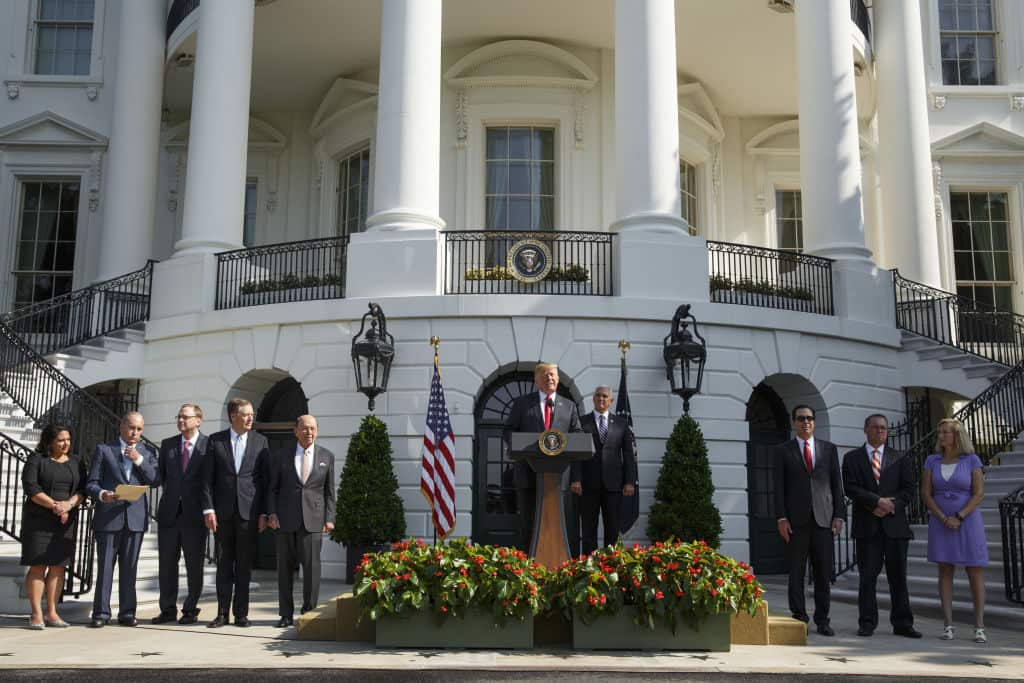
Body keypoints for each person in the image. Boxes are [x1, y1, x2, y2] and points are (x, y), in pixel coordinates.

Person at [841, 414, 921, 638]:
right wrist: (875, 502)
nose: (880, 431)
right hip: (868, 527)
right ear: (865, 429)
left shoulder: (900, 458)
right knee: (867, 578)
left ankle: (903, 623)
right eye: (875, 427)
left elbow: (909, 489)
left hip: (895, 527)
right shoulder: (851, 458)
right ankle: (867, 623)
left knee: (899, 578)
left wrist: (889, 505)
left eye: (883, 428)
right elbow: (850, 488)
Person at [774, 404, 844, 636]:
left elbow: (837, 485)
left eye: (810, 418)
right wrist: (781, 518)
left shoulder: (829, 449)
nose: (806, 422)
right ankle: (799, 617)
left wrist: (839, 515)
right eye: (801, 418)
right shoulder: (783, 450)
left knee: (823, 574)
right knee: (796, 573)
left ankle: (823, 619)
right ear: (794, 422)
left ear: (814, 422)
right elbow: (778, 488)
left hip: (824, 519)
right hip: (796, 521)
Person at [85, 411, 159, 628]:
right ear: (122, 426)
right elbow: (91, 483)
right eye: (132, 428)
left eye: (139, 429)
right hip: (108, 517)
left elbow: (155, 479)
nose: (135, 433)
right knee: (106, 568)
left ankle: (127, 613)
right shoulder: (104, 450)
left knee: (130, 568)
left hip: (135, 519)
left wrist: (139, 460)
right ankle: (100, 613)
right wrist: (102, 494)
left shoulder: (147, 451)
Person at [201, 397, 270, 628]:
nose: (251, 418)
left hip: (249, 513)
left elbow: (265, 481)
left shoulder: (261, 441)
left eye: (252, 414)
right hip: (222, 514)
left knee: (243, 565)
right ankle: (222, 613)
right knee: (223, 564)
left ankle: (241, 613)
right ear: (233, 416)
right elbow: (207, 481)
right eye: (246, 414)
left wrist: (264, 513)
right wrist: (209, 509)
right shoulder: (215, 441)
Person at [921, 417, 989, 643]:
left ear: (956, 436)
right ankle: (948, 625)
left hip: (967, 520)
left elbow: (979, 493)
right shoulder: (932, 460)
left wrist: (959, 516)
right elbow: (926, 493)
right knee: (945, 570)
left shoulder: (971, 460)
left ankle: (979, 626)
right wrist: (942, 517)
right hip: (940, 521)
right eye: (939, 432)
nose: (940, 436)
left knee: (974, 570)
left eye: (945, 432)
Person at [502, 362, 582, 551]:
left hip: (558, 479)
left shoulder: (569, 406)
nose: (550, 378)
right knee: (528, 526)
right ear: (537, 381)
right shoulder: (522, 404)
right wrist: (525, 445)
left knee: (558, 526)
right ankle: (527, 570)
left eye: (553, 375)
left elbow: (577, 433)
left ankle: (559, 569)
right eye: (545, 375)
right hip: (528, 476)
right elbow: (508, 431)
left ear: (558, 379)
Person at [266, 414, 336, 628]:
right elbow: (272, 489)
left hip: (313, 520)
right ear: (295, 430)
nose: (309, 432)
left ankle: (309, 612)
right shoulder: (281, 455)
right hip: (285, 520)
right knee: (285, 570)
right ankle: (285, 614)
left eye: (313, 428)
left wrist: (330, 518)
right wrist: (272, 513)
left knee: (312, 569)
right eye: (305, 428)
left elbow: (330, 492)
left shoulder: (327, 456)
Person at [20, 424, 86, 629]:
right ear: (49, 441)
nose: (65, 443)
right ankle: (36, 614)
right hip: (39, 520)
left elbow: (83, 489)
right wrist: (56, 506)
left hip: (65, 520)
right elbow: (31, 488)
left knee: (58, 566)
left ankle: (52, 612)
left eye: (68, 439)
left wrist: (70, 504)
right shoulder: (37, 460)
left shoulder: (76, 462)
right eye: (60, 440)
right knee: (38, 565)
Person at [152, 403, 209, 625]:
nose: (181, 420)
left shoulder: (208, 445)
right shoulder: (168, 445)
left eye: (186, 417)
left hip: (195, 516)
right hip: (169, 514)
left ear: (198, 420)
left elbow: (208, 481)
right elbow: (163, 478)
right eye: (179, 417)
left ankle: (190, 608)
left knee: (194, 565)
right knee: (166, 564)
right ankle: (167, 609)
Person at [570, 385, 636, 555]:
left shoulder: (621, 424)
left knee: (612, 529)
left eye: (605, 396)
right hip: (587, 484)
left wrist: (629, 481)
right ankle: (589, 567)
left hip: (613, 485)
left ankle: (609, 565)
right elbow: (576, 452)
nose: (601, 399)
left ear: (611, 401)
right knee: (588, 530)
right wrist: (575, 478)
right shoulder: (582, 422)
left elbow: (628, 454)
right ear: (593, 399)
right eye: (598, 395)